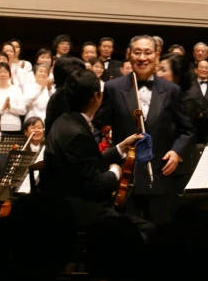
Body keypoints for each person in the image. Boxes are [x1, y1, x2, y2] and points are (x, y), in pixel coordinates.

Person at [93, 36, 194, 225]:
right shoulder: (113, 87)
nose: (142, 57)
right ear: (129, 55)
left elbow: (186, 130)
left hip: (160, 177)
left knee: (158, 236)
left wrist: (176, 152)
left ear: (157, 55)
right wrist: (104, 157)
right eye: (137, 52)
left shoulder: (171, 90)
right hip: (124, 180)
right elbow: (97, 126)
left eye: (148, 53)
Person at [40, 70, 149, 235]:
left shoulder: (65, 120)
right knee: (144, 231)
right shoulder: (77, 133)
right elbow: (96, 185)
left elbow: (84, 163)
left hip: (68, 202)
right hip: (81, 210)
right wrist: (116, 172)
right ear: (96, 97)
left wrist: (120, 148)